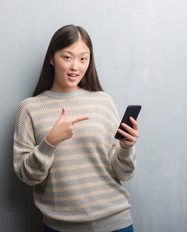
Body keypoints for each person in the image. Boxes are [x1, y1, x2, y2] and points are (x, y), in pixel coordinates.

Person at [13, 25, 139, 232]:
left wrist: (126, 148)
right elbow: (27, 176)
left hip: (116, 222)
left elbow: (124, 173)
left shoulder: (103, 101)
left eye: (83, 58)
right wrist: (50, 143)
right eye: (67, 57)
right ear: (52, 58)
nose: (76, 67)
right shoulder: (29, 108)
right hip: (60, 226)